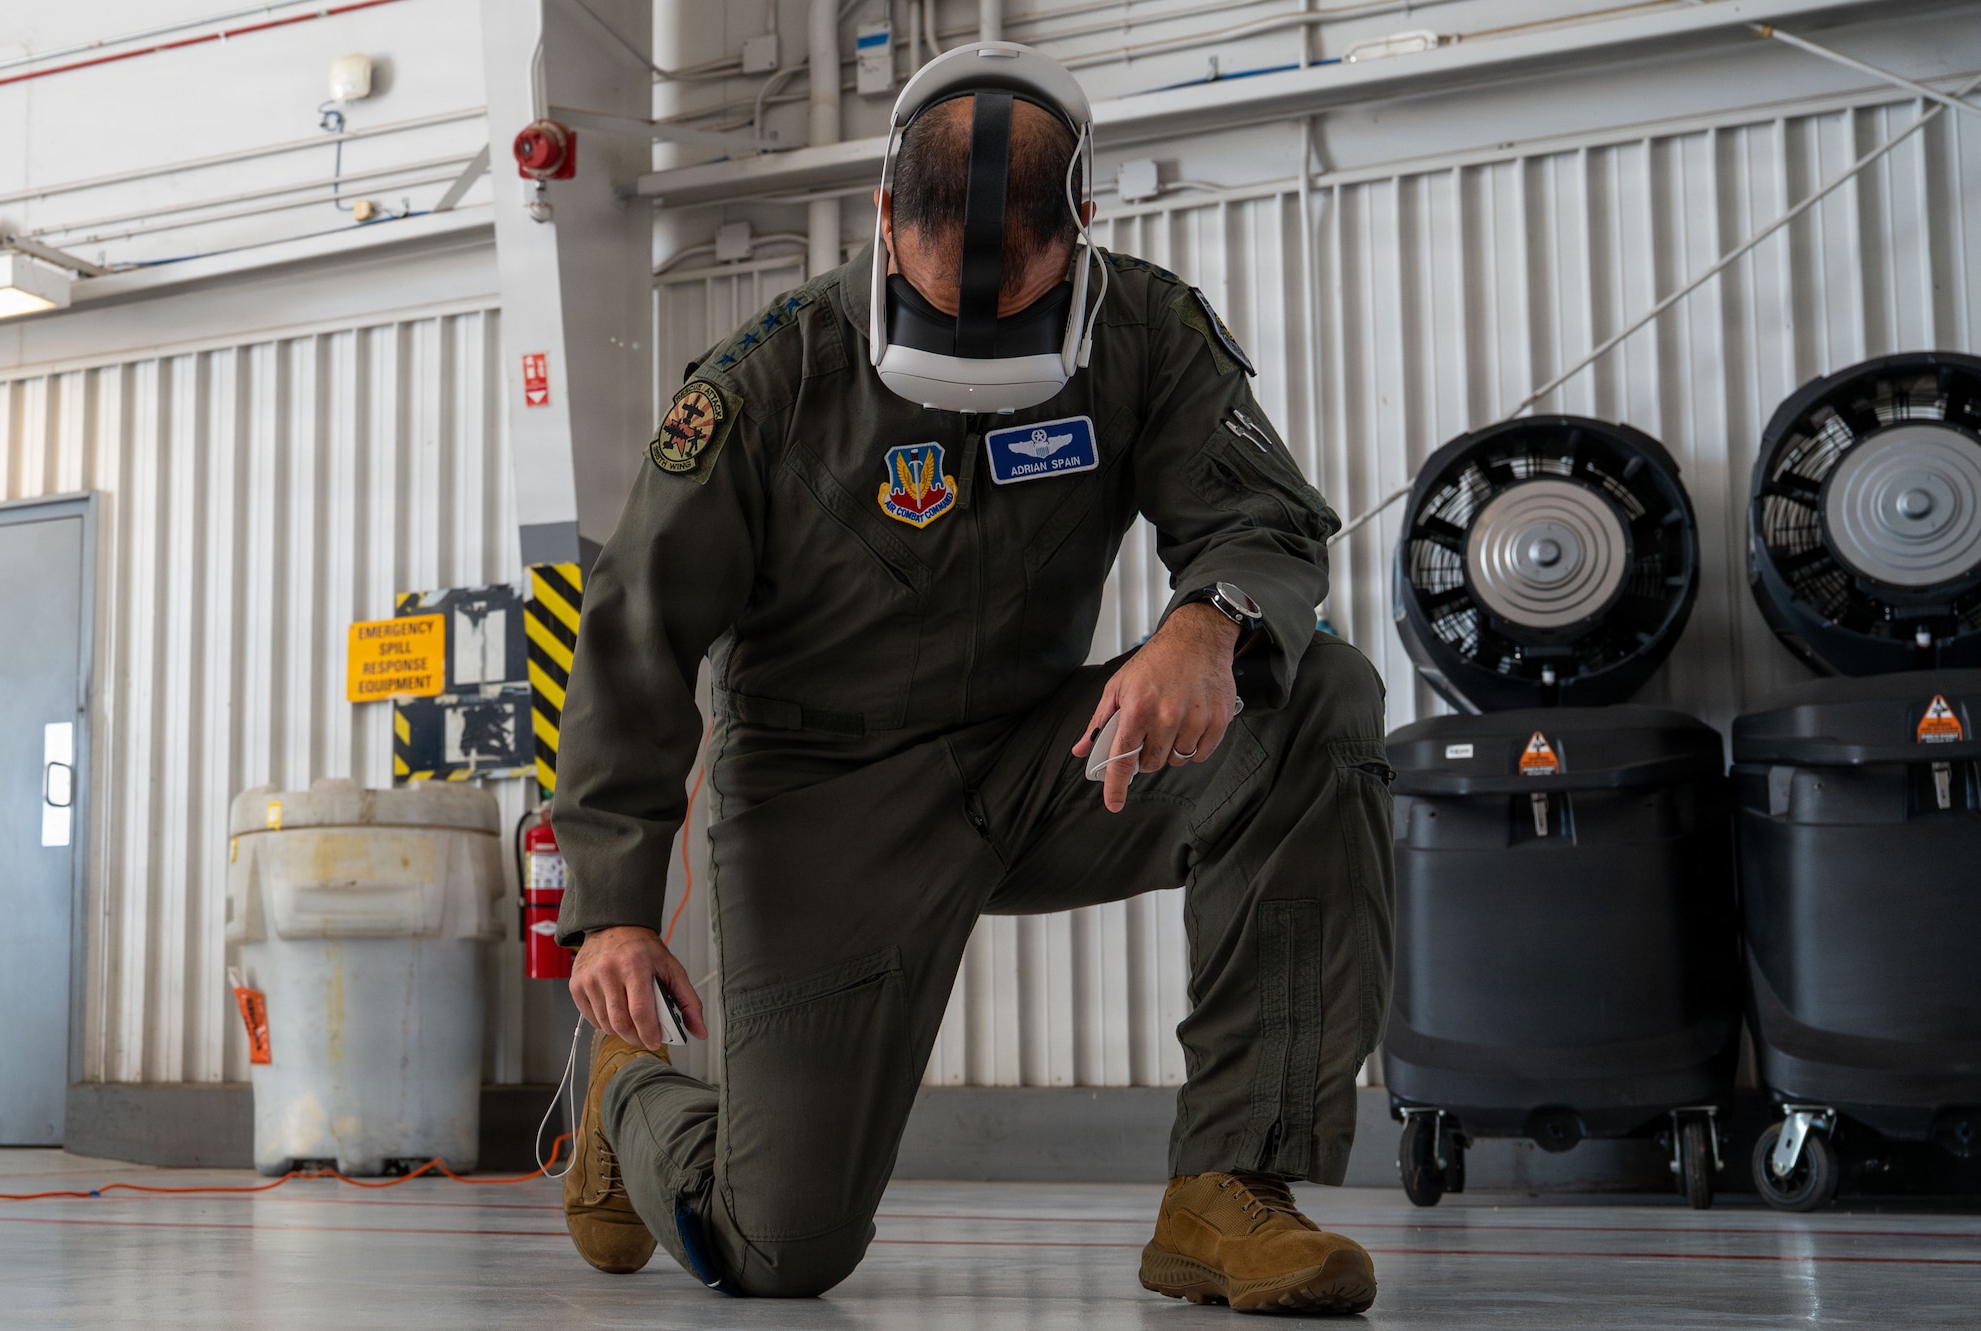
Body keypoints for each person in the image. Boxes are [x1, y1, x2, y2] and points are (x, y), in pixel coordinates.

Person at [551, 41, 1395, 1315]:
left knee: (1317, 697)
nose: (967, 323)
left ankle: (1230, 1186)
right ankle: (628, 1093)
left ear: (1079, 230)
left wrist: (1203, 623)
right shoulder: (765, 384)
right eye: (941, 291)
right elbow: (635, 631)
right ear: (887, 217)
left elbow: (1260, 527)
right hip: (822, 798)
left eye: (1014, 294)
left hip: (1045, 758)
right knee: (779, 1250)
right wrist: (610, 902)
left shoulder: (1145, 335)